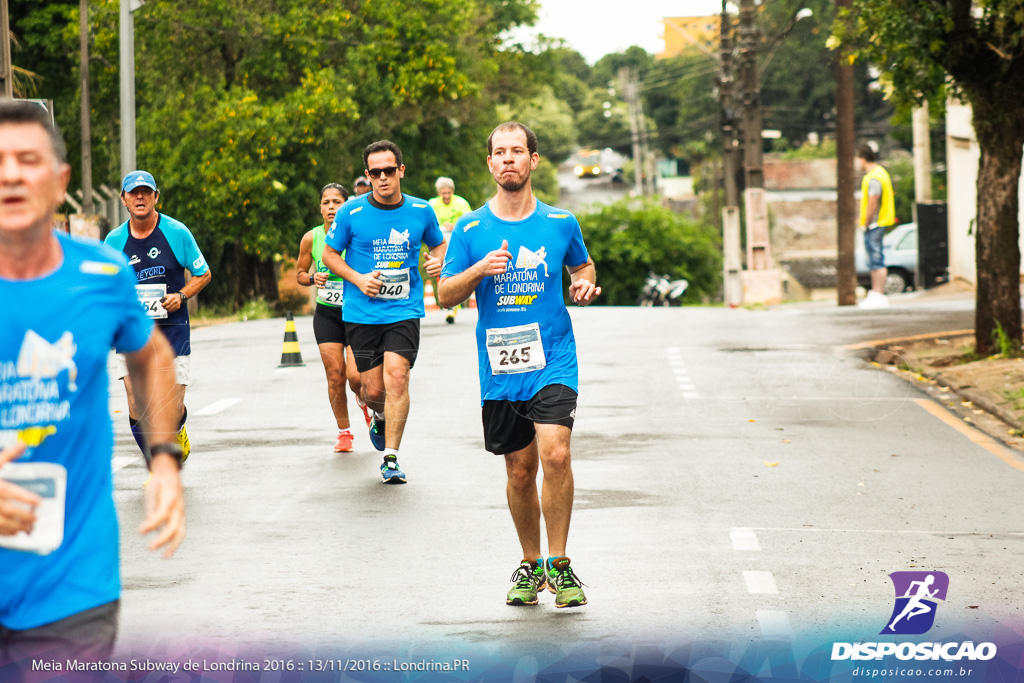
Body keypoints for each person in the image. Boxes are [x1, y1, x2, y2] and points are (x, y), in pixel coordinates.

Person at [0, 100, 185, 666]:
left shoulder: (102, 274)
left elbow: (152, 356)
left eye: (27, 160)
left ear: (59, 183)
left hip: (73, 581)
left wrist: (162, 458)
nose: (10, 174)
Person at [438, 122, 601, 608]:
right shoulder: (470, 229)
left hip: (553, 357)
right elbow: (445, 294)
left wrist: (584, 287)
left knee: (556, 455)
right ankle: (531, 565)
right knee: (518, 470)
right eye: (499, 152)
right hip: (502, 365)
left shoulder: (560, 223)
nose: (508, 159)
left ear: (533, 160)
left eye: (517, 151)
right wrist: (477, 269)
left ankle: (560, 564)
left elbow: (582, 268)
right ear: (489, 164)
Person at [322, 141, 446, 484]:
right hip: (361, 314)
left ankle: (391, 457)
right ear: (367, 175)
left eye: (388, 171)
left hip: (404, 310)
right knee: (372, 390)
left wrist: (438, 260)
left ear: (400, 171)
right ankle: (377, 415)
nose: (382, 178)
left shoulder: (422, 210)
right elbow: (331, 255)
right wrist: (358, 279)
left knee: (397, 378)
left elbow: (438, 243)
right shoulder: (351, 212)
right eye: (375, 173)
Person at [104, 170, 212, 465]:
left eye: (146, 192)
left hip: (173, 332)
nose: (140, 197)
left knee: (171, 409)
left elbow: (203, 274)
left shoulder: (176, 233)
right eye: (133, 193)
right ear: (124, 199)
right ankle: (156, 462)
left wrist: (182, 296)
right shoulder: (114, 241)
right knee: (137, 404)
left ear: (156, 197)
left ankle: (177, 431)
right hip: (132, 335)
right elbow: (105, 288)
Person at [294, 183, 370, 452]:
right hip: (327, 313)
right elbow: (300, 273)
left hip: (357, 312)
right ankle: (344, 432)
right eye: (326, 202)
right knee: (335, 375)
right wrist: (313, 277)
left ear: (346, 205)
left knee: (356, 378)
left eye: (337, 202)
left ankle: (363, 401)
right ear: (320, 208)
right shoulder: (311, 238)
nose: (331, 207)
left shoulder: (358, 234)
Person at [428, 177, 473, 323]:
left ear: (452, 192)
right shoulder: (432, 204)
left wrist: (454, 226)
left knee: (453, 269)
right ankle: (445, 298)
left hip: (455, 240)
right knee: (439, 272)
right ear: (438, 193)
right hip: (439, 242)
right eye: (443, 193)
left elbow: (470, 223)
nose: (446, 196)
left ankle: (453, 308)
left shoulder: (461, 203)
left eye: (448, 193)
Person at [857, 144, 895, 309]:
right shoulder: (881, 173)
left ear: (863, 159)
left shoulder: (874, 177)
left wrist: (865, 222)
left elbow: (872, 201)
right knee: (875, 258)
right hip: (879, 222)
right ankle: (876, 293)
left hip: (875, 224)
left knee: (875, 259)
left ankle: (878, 294)